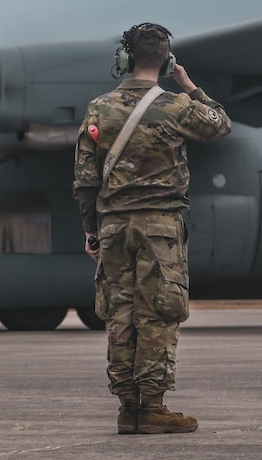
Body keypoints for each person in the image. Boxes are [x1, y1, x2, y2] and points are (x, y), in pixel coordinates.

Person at [73, 23, 232, 434]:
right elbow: (220, 125)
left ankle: (129, 408)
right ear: (166, 61)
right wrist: (189, 85)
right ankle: (155, 407)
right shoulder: (176, 106)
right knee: (159, 313)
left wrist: (92, 231)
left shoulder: (98, 110)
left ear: (123, 60)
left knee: (119, 314)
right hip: (160, 227)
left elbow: (85, 180)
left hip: (113, 229)